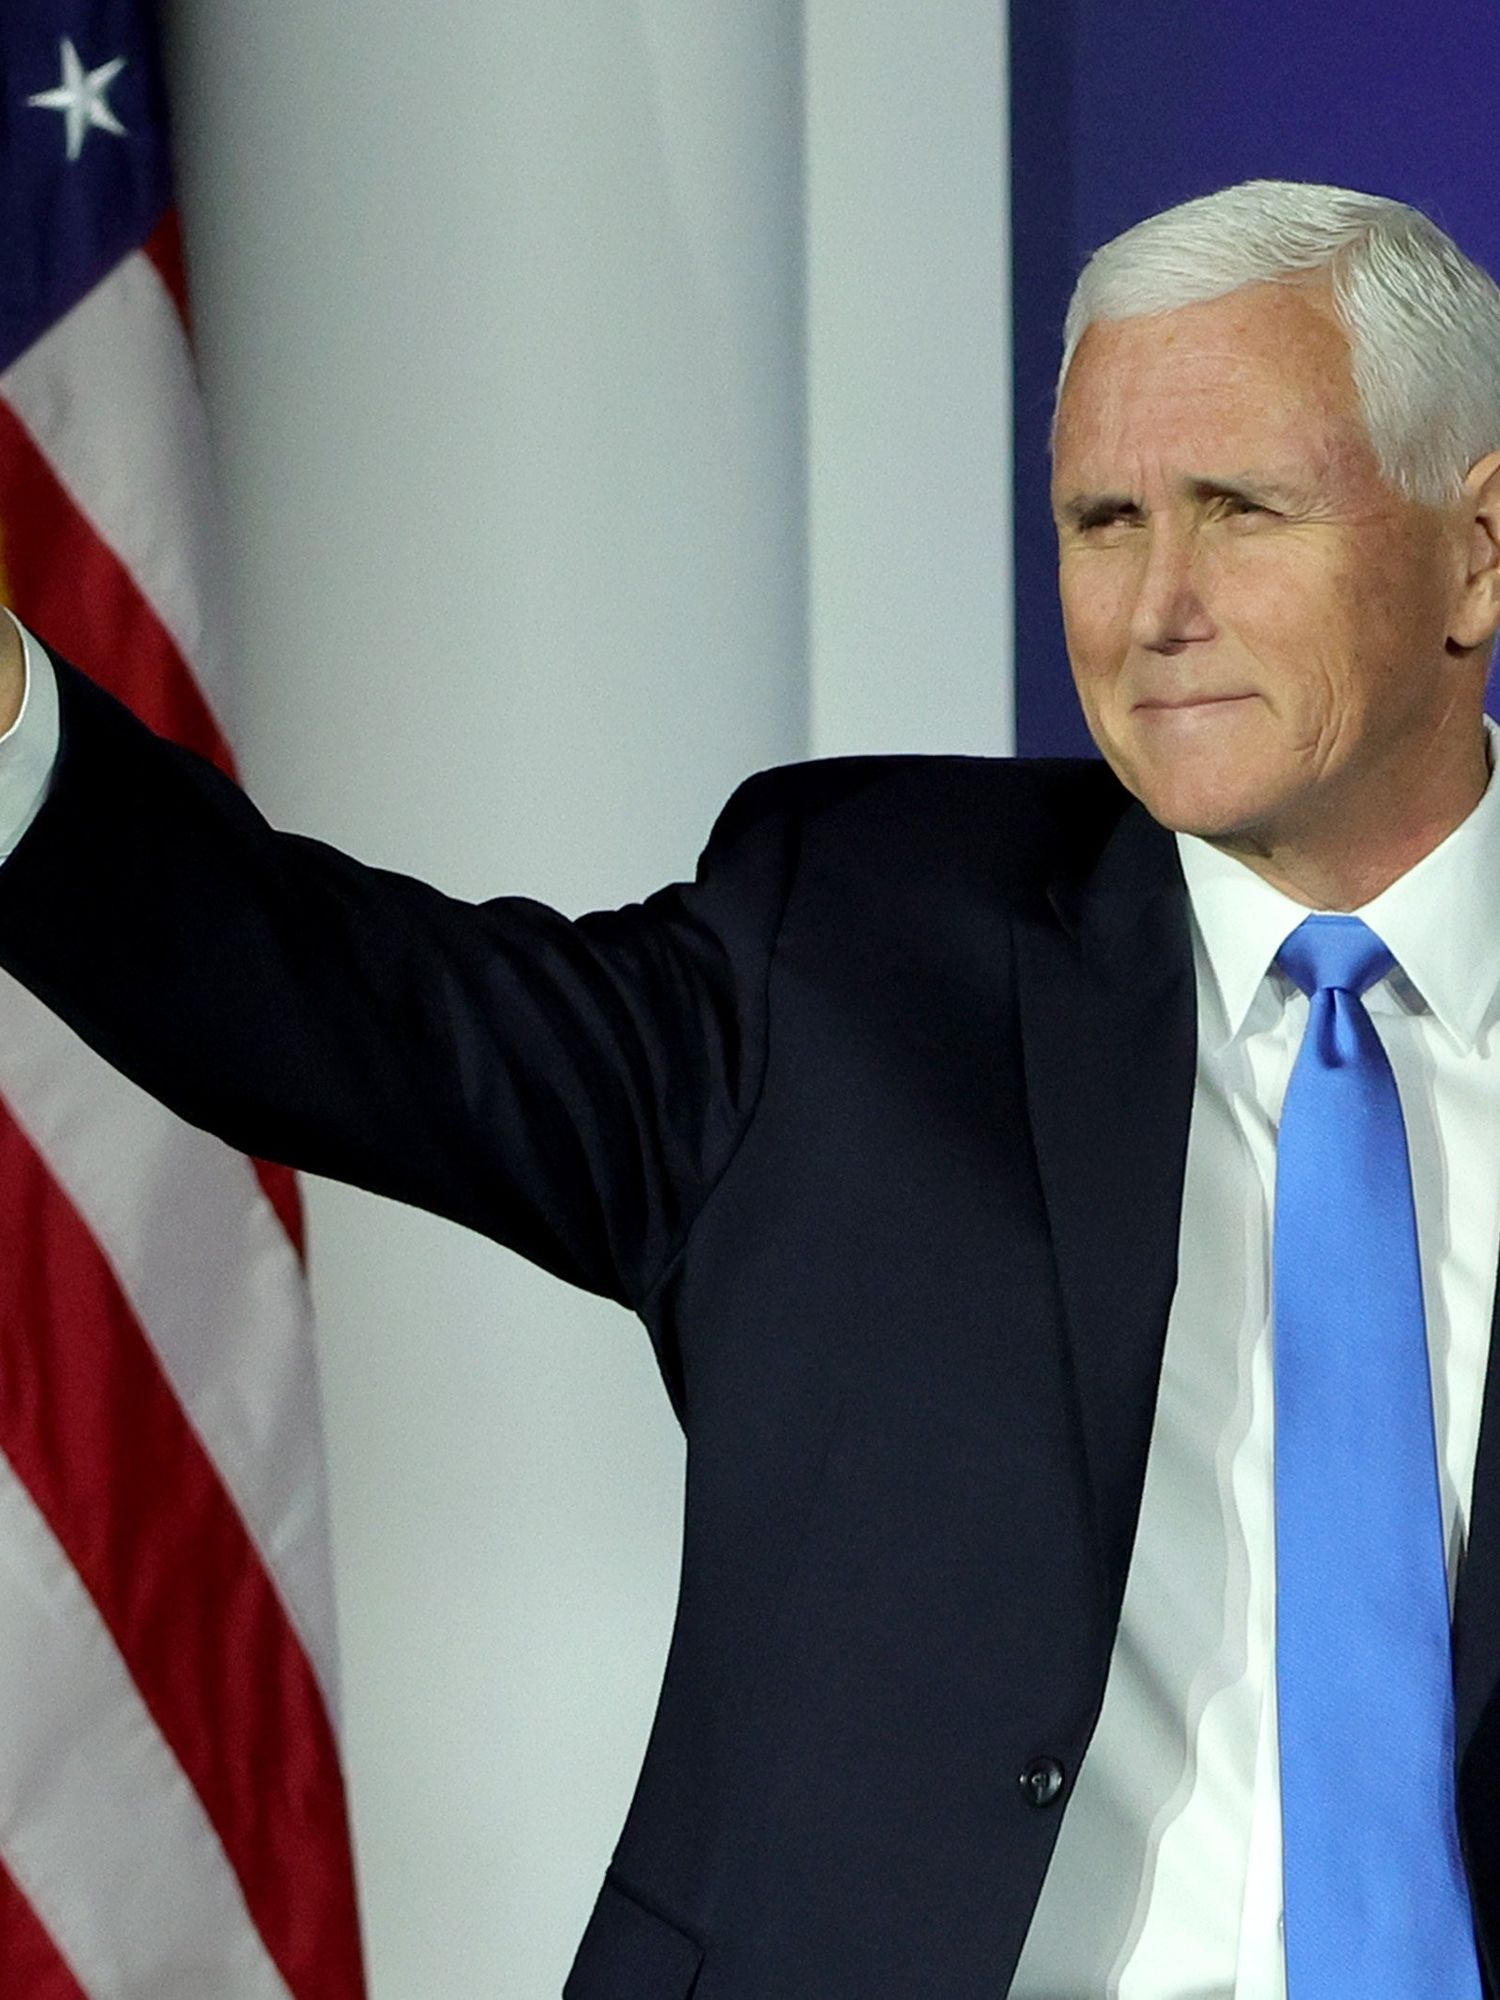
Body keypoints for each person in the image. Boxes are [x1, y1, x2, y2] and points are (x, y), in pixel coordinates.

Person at [0, 176, 1496, 1999]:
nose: (1158, 603)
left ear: (1475, 554)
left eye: (1240, 511)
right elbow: (348, 1008)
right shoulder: (854, 944)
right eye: (1103, 521)